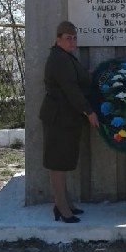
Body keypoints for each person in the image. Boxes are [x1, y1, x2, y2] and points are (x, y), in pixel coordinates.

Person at [40, 21, 99, 223]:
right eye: (67, 38)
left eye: (74, 37)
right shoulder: (59, 59)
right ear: (58, 39)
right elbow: (71, 89)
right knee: (57, 163)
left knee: (63, 161)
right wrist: (89, 112)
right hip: (58, 117)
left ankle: (65, 203)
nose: (72, 41)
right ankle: (61, 207)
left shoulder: (65, 56)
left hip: (67, 117)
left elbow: (75, 79)